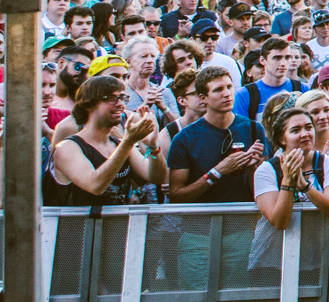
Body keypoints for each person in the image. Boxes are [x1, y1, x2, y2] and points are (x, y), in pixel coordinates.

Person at [43, 75, 164, 206]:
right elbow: (95, 186)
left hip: (118, 220)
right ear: (88, 105)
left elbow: (157, 177)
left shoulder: (118, 144)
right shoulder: (67, 148)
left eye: (122, 98)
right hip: (79, 220)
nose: (120, 104)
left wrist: (154, 146)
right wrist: (128, 142)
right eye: (111, 98)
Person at [250, 106, 329, 271]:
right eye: (296, 130)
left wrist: (305, 186)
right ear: (282, 139)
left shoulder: (327, 163)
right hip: (272, 262)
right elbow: (279, 222)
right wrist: (288, 181)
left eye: (308, 127)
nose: (305, 134)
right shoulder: (267, 170)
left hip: (319, 260)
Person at [166, 70, 267, 204]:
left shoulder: (253, 129)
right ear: (203, 98)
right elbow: (176, 197)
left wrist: (251, 169)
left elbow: (263, 195)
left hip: (242, 214)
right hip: (202, 215)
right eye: (218, 90)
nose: (227, 94)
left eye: (229, 87)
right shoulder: (185, 138)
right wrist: (217, 172)